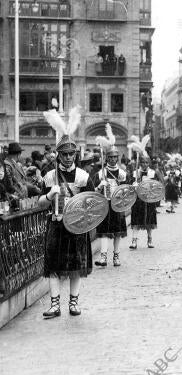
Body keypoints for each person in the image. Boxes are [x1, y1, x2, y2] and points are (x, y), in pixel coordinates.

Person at [40, 107, 93, 318]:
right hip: (56, 224)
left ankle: (73, 303)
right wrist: (51, 195)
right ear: (58, 155)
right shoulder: (49, 176)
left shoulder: (82, 176)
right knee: (53, 266)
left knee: (75, 266)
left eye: (72, 154)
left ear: (76, 154)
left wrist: (81, 209)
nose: (69, 157)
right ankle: (55, 305)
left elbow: (92, 204)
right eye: (65, 154)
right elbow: (40, 203)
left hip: (77, 226)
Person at [93, 128, 128, 267]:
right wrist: (100, 187)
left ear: (117, 158)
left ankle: (116, 256)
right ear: (107, 158)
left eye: (115, 157)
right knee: (103, 232)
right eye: (110, 157)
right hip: (104, 204)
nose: (113, 159)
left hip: (117, 204)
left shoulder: (123, 173)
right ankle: (103, 257)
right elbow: (93, 192)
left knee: (117, 232)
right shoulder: (100, 173)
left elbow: (127, 192)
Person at [129, 156, 159, 249]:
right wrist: (133, 185)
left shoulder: (152, 173)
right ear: (140, 163)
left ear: (149, 163)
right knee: (136, 220)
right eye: (143, 162)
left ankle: (150, 239)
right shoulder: (135, 173)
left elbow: (157, 186)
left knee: (149, 220)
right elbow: (130, 185)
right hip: (138, 199)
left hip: (149, 199)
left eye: (146, 162)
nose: (145, 164)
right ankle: (134, 240)